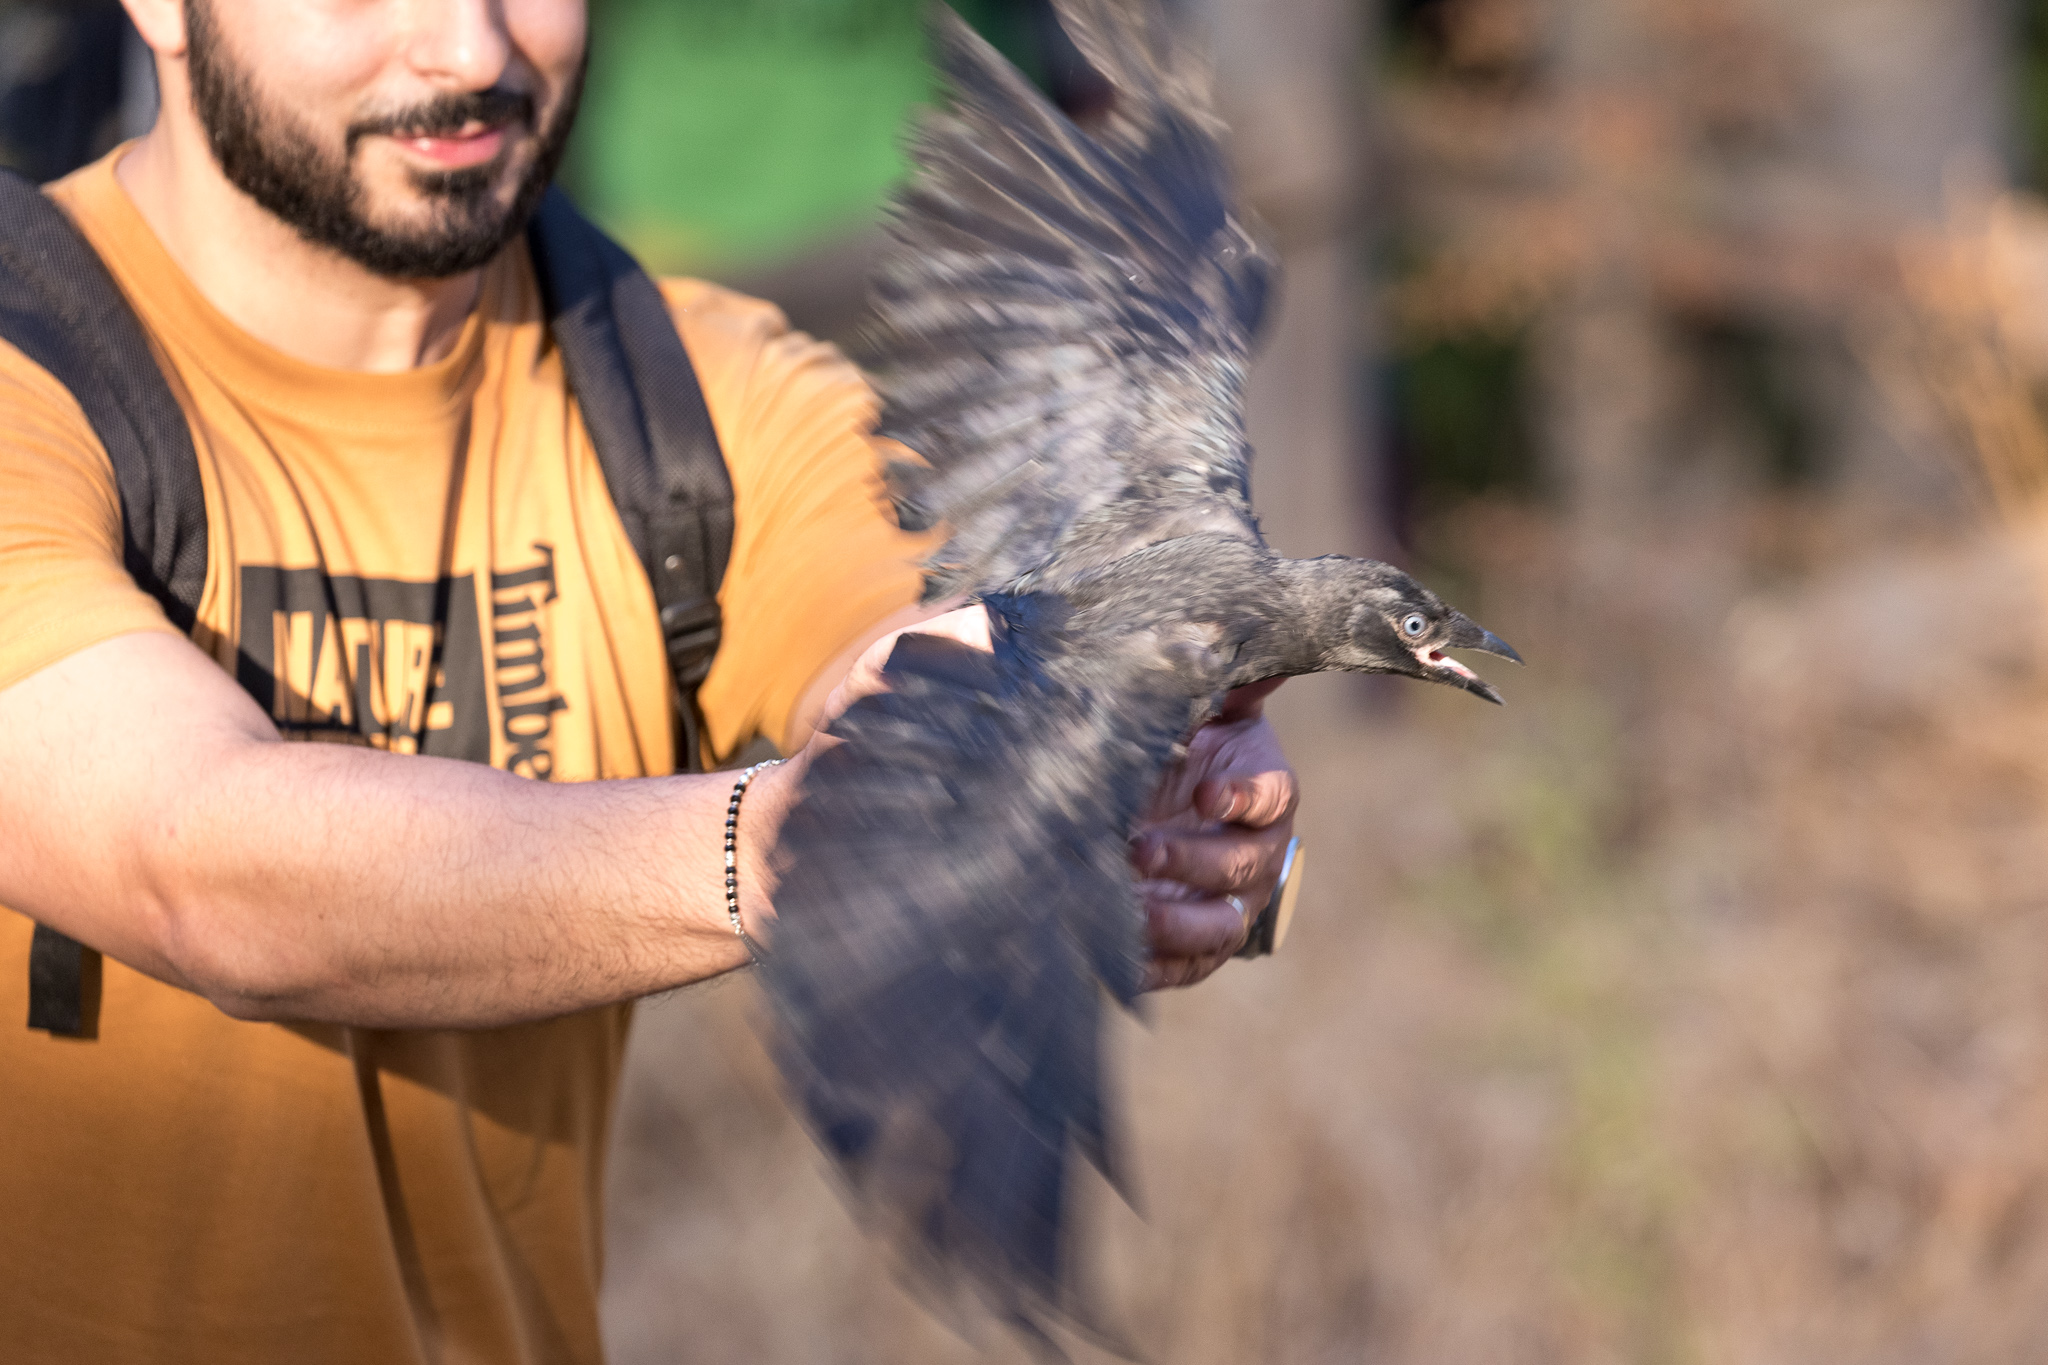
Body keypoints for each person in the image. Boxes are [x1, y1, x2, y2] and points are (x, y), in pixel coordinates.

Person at [0, 1, 1301, 1361]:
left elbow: (935, 658)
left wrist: (1156, 792)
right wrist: (777, 845)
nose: (471, 51)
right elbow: (191, 862)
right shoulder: (25, 366)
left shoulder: (704, 397)